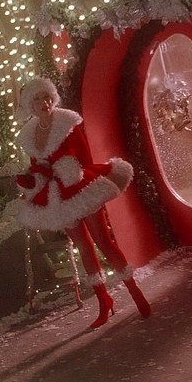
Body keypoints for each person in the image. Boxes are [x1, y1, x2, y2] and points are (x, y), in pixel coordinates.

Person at [13, 77, 150, 329]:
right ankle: (104, 300)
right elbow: (38, 168)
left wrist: (68, 168)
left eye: (47, 97)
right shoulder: (29, 135)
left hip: (81, 189)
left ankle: (134, 290)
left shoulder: (67, 123)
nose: (44, 102)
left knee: (103, 243)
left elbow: (86, 160)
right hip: (59, 198)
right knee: (84, 248)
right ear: (30, 105)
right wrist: (32, 180)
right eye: (38, 99)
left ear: (53, 98)